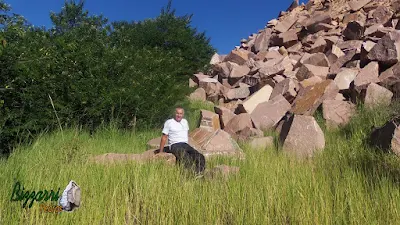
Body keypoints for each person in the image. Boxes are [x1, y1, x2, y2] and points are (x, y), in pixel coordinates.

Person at [157, 107, 205, 175]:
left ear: (183, 114)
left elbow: (187, 134)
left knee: (200, 157)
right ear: (174, 114)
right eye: (177, 113)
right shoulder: (169, 122)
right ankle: (189, 175)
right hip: (174, 144)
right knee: (185, 157)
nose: (179, 115)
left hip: (185, 144)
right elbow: (164, 137)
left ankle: (198, 174)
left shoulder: (185, 122)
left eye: (180, 113)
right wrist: (161, 151)